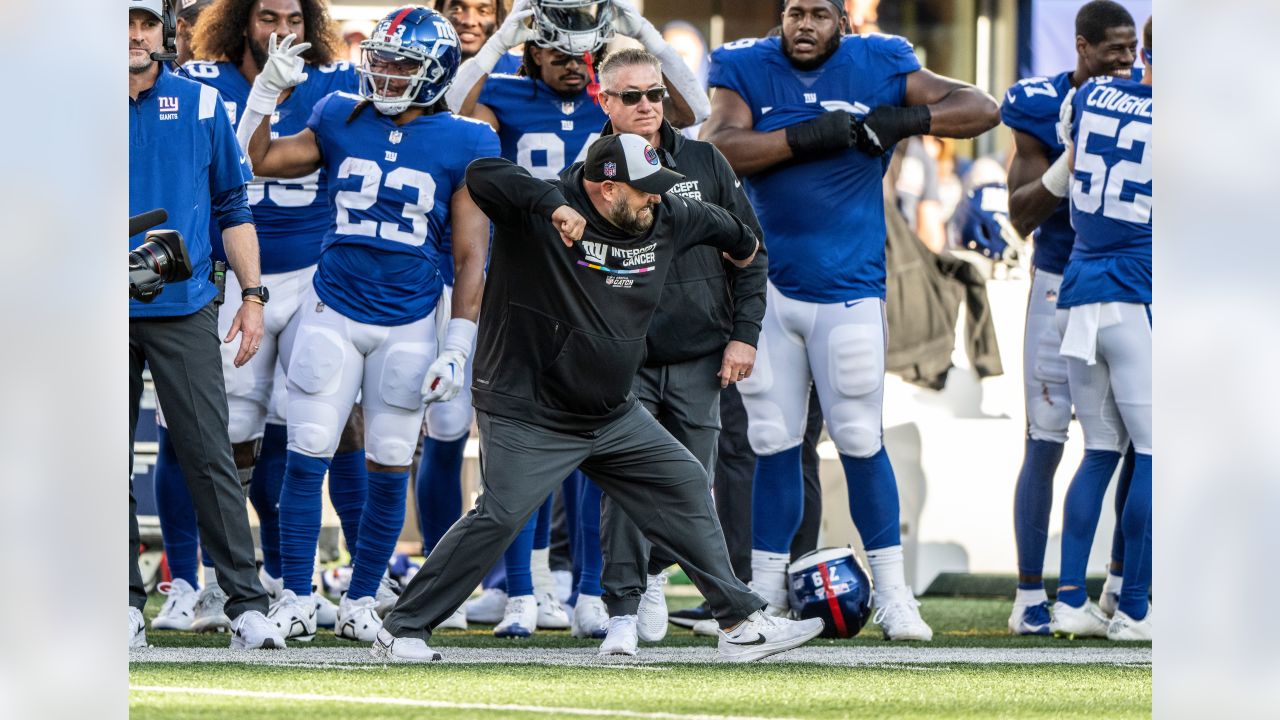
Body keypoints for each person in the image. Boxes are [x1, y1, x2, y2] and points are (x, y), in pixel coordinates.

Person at [374, 132, 825, 663]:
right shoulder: (543, 212)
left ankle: (740, 622)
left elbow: (736, 233)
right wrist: (553, 206)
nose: (656, 199)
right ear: (608, 189)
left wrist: (746, 251)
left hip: (611, 413)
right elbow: (482, 174)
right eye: (645, 190)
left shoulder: (669, 217)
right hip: (531, 409)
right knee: (499, 516)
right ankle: (401, 627)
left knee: (683, 481)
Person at [700, 0, 1000, 641]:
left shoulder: (881, 61)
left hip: (850, 290)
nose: (802, 25)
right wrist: (806, 136)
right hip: (768, 289)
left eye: (817, 13)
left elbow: (981, 107)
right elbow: (719, 148)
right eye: (792, 12)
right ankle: (764, 595)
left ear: (845, 20)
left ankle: (894, 596)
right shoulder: (746, 65)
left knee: (862, 438)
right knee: (772, 440)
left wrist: (907, 118)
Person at [238, 6, 496, 643]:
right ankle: (297, 595)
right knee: (307, 452)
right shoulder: (337, 115)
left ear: (433, 74)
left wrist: (458, 346)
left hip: (411, 319)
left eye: (398, 65)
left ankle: (361, 600)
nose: (380, 74)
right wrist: (266, 93)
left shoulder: (468, 139)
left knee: (386, 461)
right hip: (333, 306)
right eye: (377, 60)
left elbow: (470, 256)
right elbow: (256, 160)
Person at [145, 0, 369, 636]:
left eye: (294, 20)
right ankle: (199, 581)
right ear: (242, 19)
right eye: (268, 17)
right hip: (232, 276)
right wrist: (264, 96)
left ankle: (333, 582)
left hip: (313, 273)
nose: (282, 32)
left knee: (328, 423)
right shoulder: (202, 83)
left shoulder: (334, 85)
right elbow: (234, 172)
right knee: (220, 435)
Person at [586, 49, 767, 657]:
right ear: (604, 101)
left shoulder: (704, 160)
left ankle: (659, 575)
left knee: (692, 483)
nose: (646, 106)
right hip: (623, 358)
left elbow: (750, 253)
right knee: (626, 485)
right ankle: (621, 608)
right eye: (631, 96)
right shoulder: (588, 169)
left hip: (697, 353)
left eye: (655, 94)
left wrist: (745, 335)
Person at [128, 0, 282, 650]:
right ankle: (120, 603)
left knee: (209, 452)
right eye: (118, 26)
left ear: (162, 29)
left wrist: (251, 295)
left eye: (141, 22)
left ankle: (244, 604)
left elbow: (231, 202)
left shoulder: (198, 103)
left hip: (185, 301)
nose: (132, 37)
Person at [1000, 0, 1139, 635]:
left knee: (1128, 441)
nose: (1126, 59)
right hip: (1059, 283)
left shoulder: (1146, 102)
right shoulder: (1038, 104)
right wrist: (1073, 157)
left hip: (1124, 286)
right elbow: (1021, 215)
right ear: (1080, 47)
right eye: (1113, 48)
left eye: (1132, 47)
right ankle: (1032, 593)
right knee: (1048, 437)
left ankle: (1113, 583)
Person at [410, 0, 522, 636]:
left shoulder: (518, 85)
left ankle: (525, 579)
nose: (471, 17)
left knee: (516, 435)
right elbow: (451, 99)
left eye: (485, 9)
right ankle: (439, 572)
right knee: (446, 429)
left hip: (525, 280)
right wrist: (498, 41)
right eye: (459, 9)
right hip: (455, 274)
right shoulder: (463, 94)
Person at [1050, 15, 1152, 641]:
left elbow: (1063, 176)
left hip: (1079, 288)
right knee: (1161, 456)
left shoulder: (1085, 95)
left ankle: (1068, 601)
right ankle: (1135, 609)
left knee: (1098, 453)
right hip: (1133, 293)